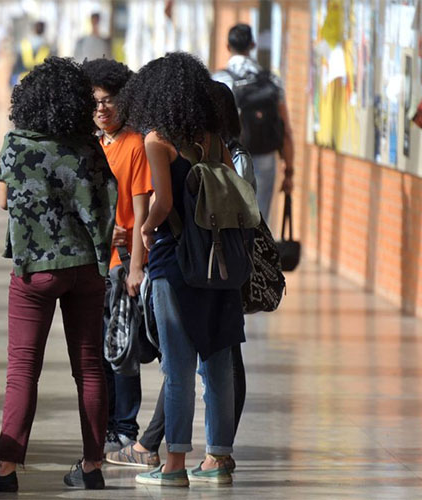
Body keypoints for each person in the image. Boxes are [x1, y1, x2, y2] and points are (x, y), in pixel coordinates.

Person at [0, 57, 117, 493]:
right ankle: (92, 464)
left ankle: (6, 469)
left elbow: (4, 201)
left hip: (35, 271)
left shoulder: (17, 143)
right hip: (86, 267)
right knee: (90, 366)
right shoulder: (88, 146)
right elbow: (105, 204)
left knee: (23, 369)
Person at [121, 52, 242, 486]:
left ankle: (172, 465)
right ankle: (219, 457)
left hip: (178, 262)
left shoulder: (157, 139)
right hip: (221, 260)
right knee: (218, 360)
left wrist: (148, 227)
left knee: (177, 366)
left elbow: (165, 203)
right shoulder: (213, 139)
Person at [81, 58, 153, 457]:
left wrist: (137, 266)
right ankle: (106, 425)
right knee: (95, 350)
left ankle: (125, 426)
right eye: (95, 103)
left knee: (121, 349)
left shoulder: (136, 144)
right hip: (89, 264)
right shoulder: (88, 145)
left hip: (120, 263)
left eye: (109, 100)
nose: (102, 109)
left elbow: (141, 213)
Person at [212, 23, 294, 221]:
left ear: (227, 46)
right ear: (253, 45)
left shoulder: (219, 79)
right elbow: (286, 130)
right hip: (264, 155)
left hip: (229, 156)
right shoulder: (271, 81)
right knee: (260, 215)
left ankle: (236, 251)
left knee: (229, 217)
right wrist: (289, 171)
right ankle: (254, 251)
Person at [11, 20, 53, 84]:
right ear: (43, 30)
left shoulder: (24, 44)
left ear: (33, 29)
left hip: (22, 78)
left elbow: (15, 63)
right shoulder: (47, 47)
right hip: (40, 80)